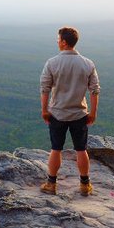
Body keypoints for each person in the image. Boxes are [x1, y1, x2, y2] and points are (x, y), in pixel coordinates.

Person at [39, 26, 100, 196]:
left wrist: (44, 110)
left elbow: (45, 89)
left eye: (58, 39)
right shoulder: (88, 63)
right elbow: (95, 90)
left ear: (64, 42)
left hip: (57, 113)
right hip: (79, 114)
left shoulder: (52, 63)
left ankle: (51, 184)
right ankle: (84, 185)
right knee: (81, 149)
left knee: (56, 148)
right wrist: (93, 113)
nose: (57, 42)